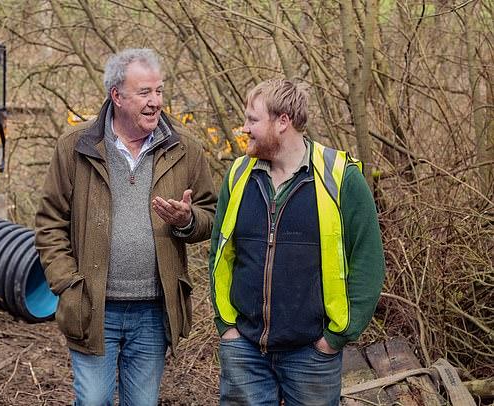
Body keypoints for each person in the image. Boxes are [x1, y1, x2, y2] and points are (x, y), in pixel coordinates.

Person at [34, 48, 216, 406]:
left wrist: (187, 220)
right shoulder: (76, 148)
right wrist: (68, 284)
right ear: (117, 96)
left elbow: (210, 214)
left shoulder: (185, 150)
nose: (155, 102)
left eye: (159, 91)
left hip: (153, 309)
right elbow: (50, 222)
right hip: (92, 306)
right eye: (145, 93)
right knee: (93, 400)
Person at [209, 79, 385, 406]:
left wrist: (335, 338)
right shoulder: (237, 176)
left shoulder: (340, 179)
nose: (244, 128)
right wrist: (227, 327)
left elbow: (368, 262)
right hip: (244, 350)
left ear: (283, 122)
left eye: (252, 119)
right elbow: (220, 254)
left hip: (311, 355)